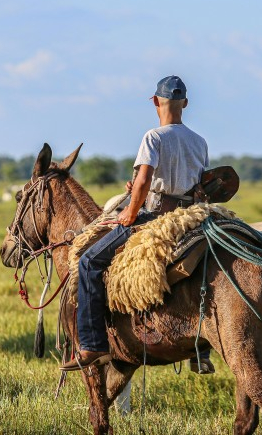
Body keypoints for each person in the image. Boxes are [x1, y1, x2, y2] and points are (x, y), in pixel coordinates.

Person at [61, 75, 213, 373]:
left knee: (89, 262)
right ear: (185, 103)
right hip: (189, 218)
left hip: (156, 217)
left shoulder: (153, 137)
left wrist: (131, 210)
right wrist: (144, 188)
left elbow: (145, 180)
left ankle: (92, 345)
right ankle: (201, 350)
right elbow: (197, 186)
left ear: (156, 102)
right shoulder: (200, 141)